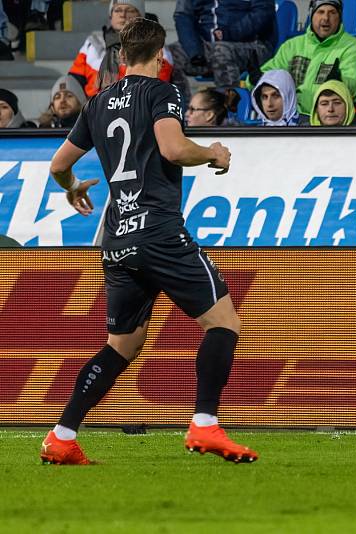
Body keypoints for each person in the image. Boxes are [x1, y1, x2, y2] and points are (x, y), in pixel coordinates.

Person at [40, 18, 258, 465]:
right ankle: (205, 425)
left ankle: (62, 435)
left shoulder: (97, 102)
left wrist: (72, 185)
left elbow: (58, 164)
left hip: (117, 238)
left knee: (122, 345)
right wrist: (213, 153)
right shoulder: (163, 92)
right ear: (160, 57)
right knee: (224, 323)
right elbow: (174, 149)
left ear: (121, 57)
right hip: (158, 231)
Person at [256, 0, 356, 118]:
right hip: (289, 118)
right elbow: (271, 75)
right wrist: (256, 78)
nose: (326, 18)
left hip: (325, 121)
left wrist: (341, 81)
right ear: (311, 15)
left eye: (332, 12)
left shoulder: (353, 47)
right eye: (320, 12)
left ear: (339, 17)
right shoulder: (291, 46)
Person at [69, 0, 174, 98]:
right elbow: (74, 81)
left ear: (141, 16)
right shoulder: (93, 42)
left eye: (130, 10)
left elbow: (156, 85)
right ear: (111, 16)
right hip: (92, 106)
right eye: (117, 10)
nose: (122, 15)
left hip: (134, 106)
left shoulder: (155, 44)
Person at [171, 0, 276, 89]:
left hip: (253, 46)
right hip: (207, 47)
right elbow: (183, 15)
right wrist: (194, 51)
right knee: (168, 55)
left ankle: (231, 107)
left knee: (220, 51)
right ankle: (177, 109)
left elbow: (263, 14)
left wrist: (229, 33)